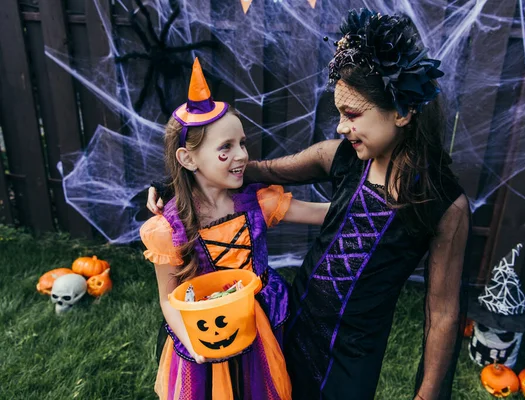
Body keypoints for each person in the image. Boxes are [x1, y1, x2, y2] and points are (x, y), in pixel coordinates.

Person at [148, 9, 470, 399]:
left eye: (351, 114)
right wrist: (177, 185)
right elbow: (253, 170)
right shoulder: (341, 156)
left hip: (354, 353)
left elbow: (443, 315)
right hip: (294, 322)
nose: (339, 126)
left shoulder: (443, 205)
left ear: (401, 112)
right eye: (339, 113)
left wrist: (427, 395)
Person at [140, 58, 329, 400]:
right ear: (188, 159)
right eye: (225, 148)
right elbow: (169, 300)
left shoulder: (257, 203)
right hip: (205, 330)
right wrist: (192, 341)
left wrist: (376, 200)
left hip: (263, 322)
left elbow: (322, 214)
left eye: (242, 143)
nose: (242, 155)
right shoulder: (168, 229)